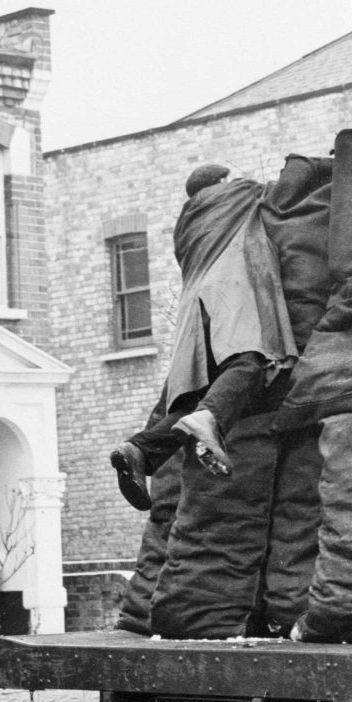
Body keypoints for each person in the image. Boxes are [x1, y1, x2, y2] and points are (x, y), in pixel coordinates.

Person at [109, 162, 292, 508]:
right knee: (251, 361)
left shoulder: (186, 222)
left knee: (199, 394)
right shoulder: (236, 194)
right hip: (230, 295)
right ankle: (210, 422)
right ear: (222, 182)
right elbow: (283, 191)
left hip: (193, 311)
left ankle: (139, 450)